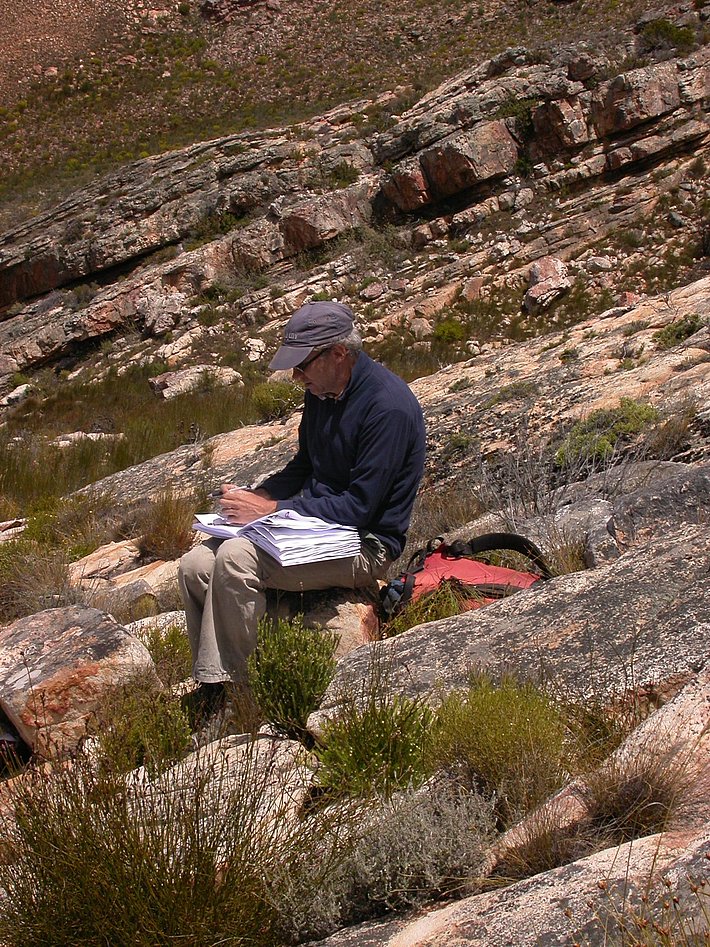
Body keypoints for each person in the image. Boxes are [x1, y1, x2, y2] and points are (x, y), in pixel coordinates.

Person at [178, 300, 426, 717]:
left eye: (302, 365)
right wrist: (255, 496)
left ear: (338, 353)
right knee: (195, 564)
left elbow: (359, 507)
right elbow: (304, 466)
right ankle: (216, 680)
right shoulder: (323, 392)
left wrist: (271, 509)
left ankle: (243, 699)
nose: (296, 376)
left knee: (236, 558)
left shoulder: (388, 409)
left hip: (363, 544)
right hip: (311, 530)